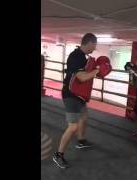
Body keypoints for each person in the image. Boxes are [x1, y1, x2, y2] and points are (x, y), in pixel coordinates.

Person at [53, 33, 99, 169]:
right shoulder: (75, 57)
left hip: (79, 93)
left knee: (84, 117)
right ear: (89, 43)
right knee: (73, 126)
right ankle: (58, 155)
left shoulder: (85, 57)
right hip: (70, 94)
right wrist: (98, 70)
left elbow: (87, 74)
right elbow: (83, 77)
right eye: (94, 45)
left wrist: (97, 69)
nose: (95, 48)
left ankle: (81, 140)